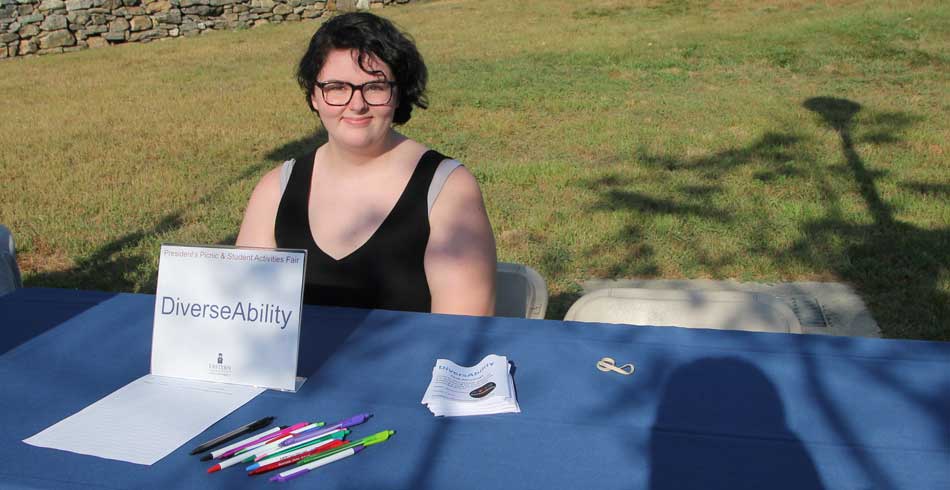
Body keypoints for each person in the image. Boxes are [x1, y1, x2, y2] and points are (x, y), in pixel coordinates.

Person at [236, 12, 496, 316]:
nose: (357, 104)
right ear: (314, 96)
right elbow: (244, 318)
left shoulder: (448, 190)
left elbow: (461, 335)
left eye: (374, 87)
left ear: (398, 94)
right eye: (337, 87)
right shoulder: (275, 191)